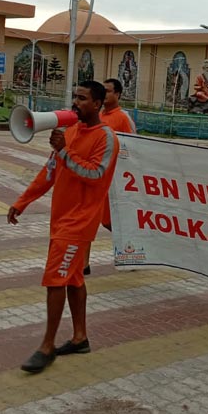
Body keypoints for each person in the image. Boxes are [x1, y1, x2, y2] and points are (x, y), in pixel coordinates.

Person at [7, 81, 119, 373]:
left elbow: (95, 175)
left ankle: (47, 346)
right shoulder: (70, 132)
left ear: (97, 104)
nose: (75, 103)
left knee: (55, 280)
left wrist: (66, 153)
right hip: (61, 220)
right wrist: (23, 201)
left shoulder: (106, 138)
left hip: (79, 222)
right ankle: (80, 337)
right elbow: (49, 172)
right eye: (75, 97)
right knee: (72, 280)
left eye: (82, 98)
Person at [80, 78, 136, 276]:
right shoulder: (97, 115)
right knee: (87, 218)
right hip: (95, 177)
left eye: (108, 91)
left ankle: (134, 245)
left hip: (114, 180)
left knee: (108, 222)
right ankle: (84, 264)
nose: (105, 94)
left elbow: (133, 147)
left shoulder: (122, 118)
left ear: (118, 94)